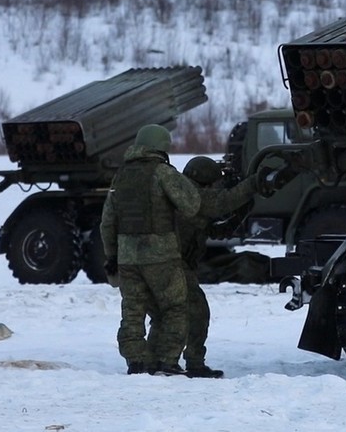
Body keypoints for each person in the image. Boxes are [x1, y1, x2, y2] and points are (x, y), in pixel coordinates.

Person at [146, 155, 283, 378]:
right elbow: (222, 203)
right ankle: (190, 363)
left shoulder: (185, 196)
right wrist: (252, 184)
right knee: (197, 312)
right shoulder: (191, 195)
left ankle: (153, 362)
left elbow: (219, 231)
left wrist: (245, 207)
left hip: (169, 263)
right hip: (172, 264)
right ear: (205, 182)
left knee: (165, 314)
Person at [100, 124, 201, 376]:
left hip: (127, 256)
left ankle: (136, 362)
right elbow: (191, 205)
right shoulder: (162, 172)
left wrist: (112, 255)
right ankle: (167, 361)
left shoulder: (121, 176)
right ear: (162, 147)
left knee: (132, 311)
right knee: (175, 308)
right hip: (161, 256)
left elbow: (107, 221)